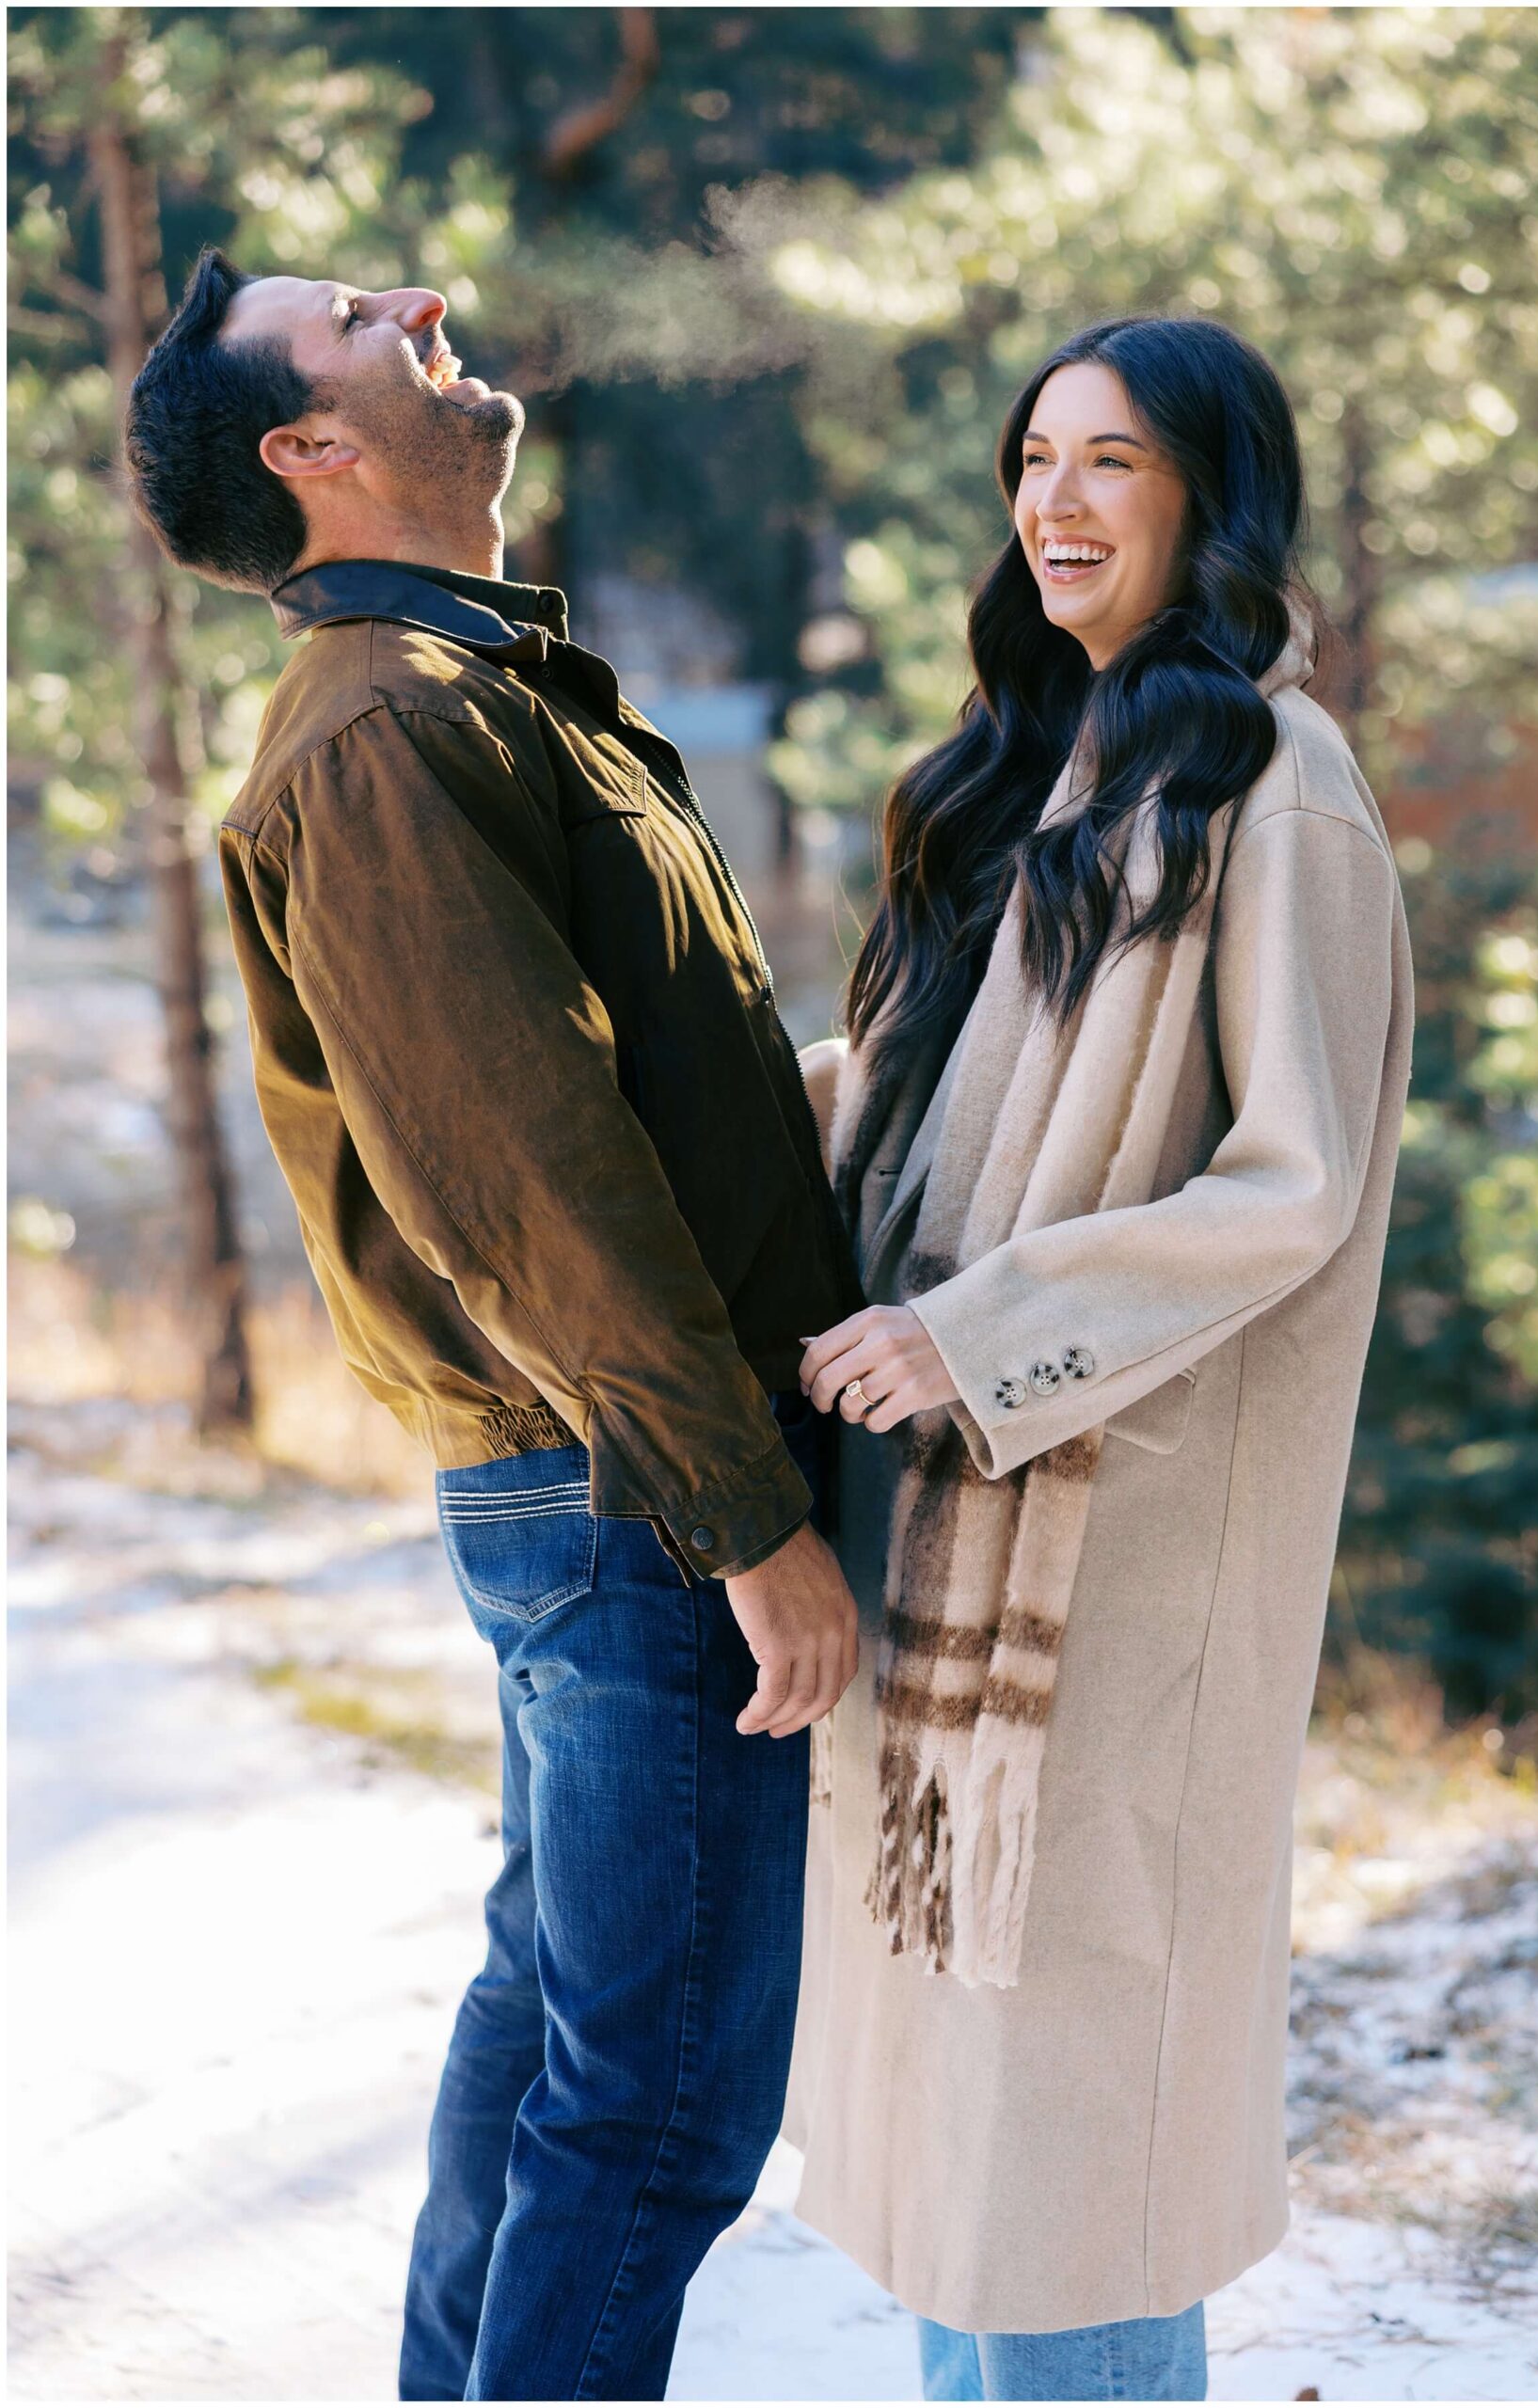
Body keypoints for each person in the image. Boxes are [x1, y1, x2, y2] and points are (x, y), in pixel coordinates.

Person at [124, 248, 864, 2403]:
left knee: (559, 2032)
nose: (427, 296)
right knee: (650, 2113)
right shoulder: (384, 733)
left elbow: (620, 1093)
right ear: (317, 450)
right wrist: (746, 1521)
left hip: (611, 1469)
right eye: (362, 312)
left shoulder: (476, 691)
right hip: (639, 1486)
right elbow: (521, 1182)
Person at [786, 314, 1415, 2403]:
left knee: (1073, 2157)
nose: (1051, 501)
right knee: (971, 2147)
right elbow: (923, 1103)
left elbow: (1290, 1180)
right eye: (1033, 458)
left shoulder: (1270, 779)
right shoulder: (1038, 764)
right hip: (948, 1531)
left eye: (1111, 462)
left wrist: (974, 1337)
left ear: (1207, 496)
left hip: (1118, 1553)